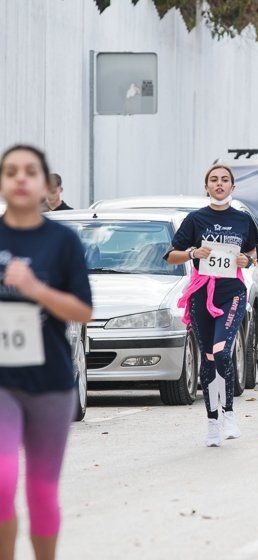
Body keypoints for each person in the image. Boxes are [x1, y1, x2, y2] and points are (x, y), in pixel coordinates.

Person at [0, 145, 93, 560]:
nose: (20, 178)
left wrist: (35, 288)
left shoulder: (63, 241)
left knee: (41, 492)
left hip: (51, 383)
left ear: (45, 184)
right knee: (2, 480)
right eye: (11, 171)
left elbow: (83, 311)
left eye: (30, 171)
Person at [165, 164, 258, 447]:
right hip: (201, 294)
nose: (219, 184)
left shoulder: (243, 219)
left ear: (233, 186)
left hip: (231, 293)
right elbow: (171, 255)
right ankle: (211, 421)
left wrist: (249, 260)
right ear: (206, 187)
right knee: (207, 357)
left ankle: (229, 413)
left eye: (225, 180)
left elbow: (254, 252)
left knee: (221, 352)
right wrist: (193, 252)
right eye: (214, 180)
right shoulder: (195, 219)